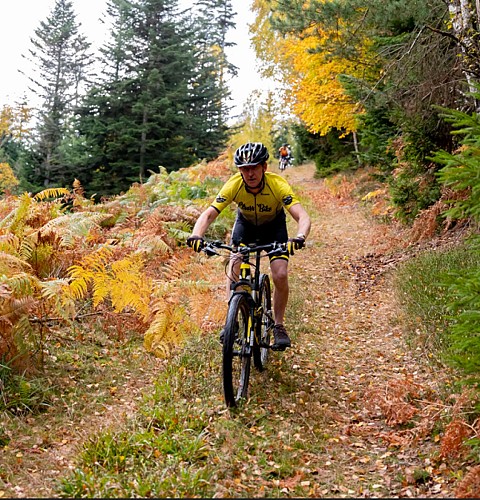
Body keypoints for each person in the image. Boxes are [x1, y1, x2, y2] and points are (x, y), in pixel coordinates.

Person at [186, 142, 311, 350]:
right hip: (245, 227)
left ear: (264, 167)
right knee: (234, 262)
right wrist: (196, 235)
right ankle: (231, 320)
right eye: (244, 169)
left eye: (254, 167)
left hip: (274, 227)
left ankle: (278, 325)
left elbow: (302, 215)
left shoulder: (277, 184)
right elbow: (209, 213)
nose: (250, 173)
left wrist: (299, 237)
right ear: (239, 170)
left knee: (279, 274)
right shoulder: (234, 184)